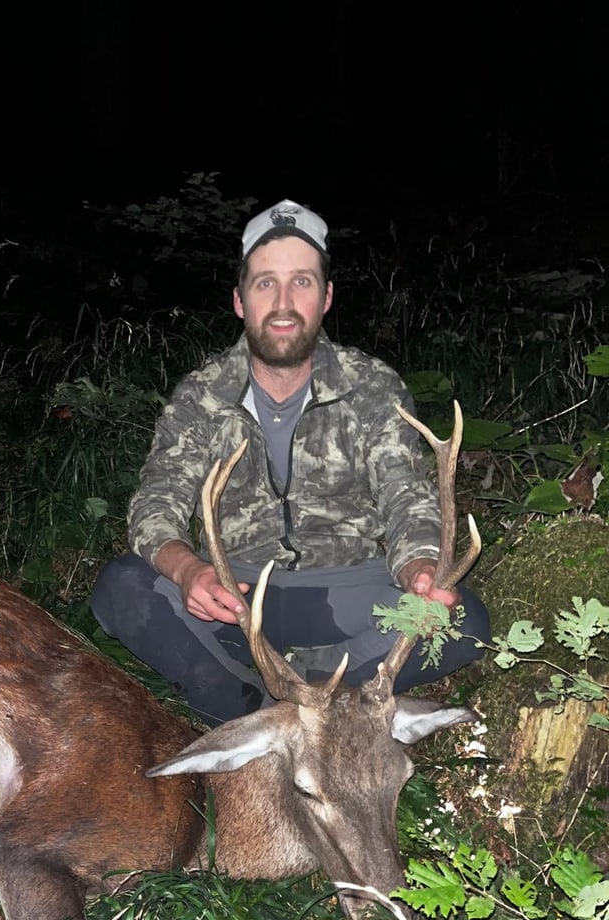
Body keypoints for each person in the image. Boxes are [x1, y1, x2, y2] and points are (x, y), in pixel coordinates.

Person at [90, 198, 490, 726]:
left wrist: (419, 570)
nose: (283, 301)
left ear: (325, 297)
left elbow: (407, 499)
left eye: (301, 282)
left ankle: (277, 696)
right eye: (264, 283)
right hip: (238, 597)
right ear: (239, 300)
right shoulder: (201, 396)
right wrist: (188, 571)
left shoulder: (371, 385)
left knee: (465, 622)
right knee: (121, 588)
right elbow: (155, 504)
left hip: (350, 591)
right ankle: (271, 699)